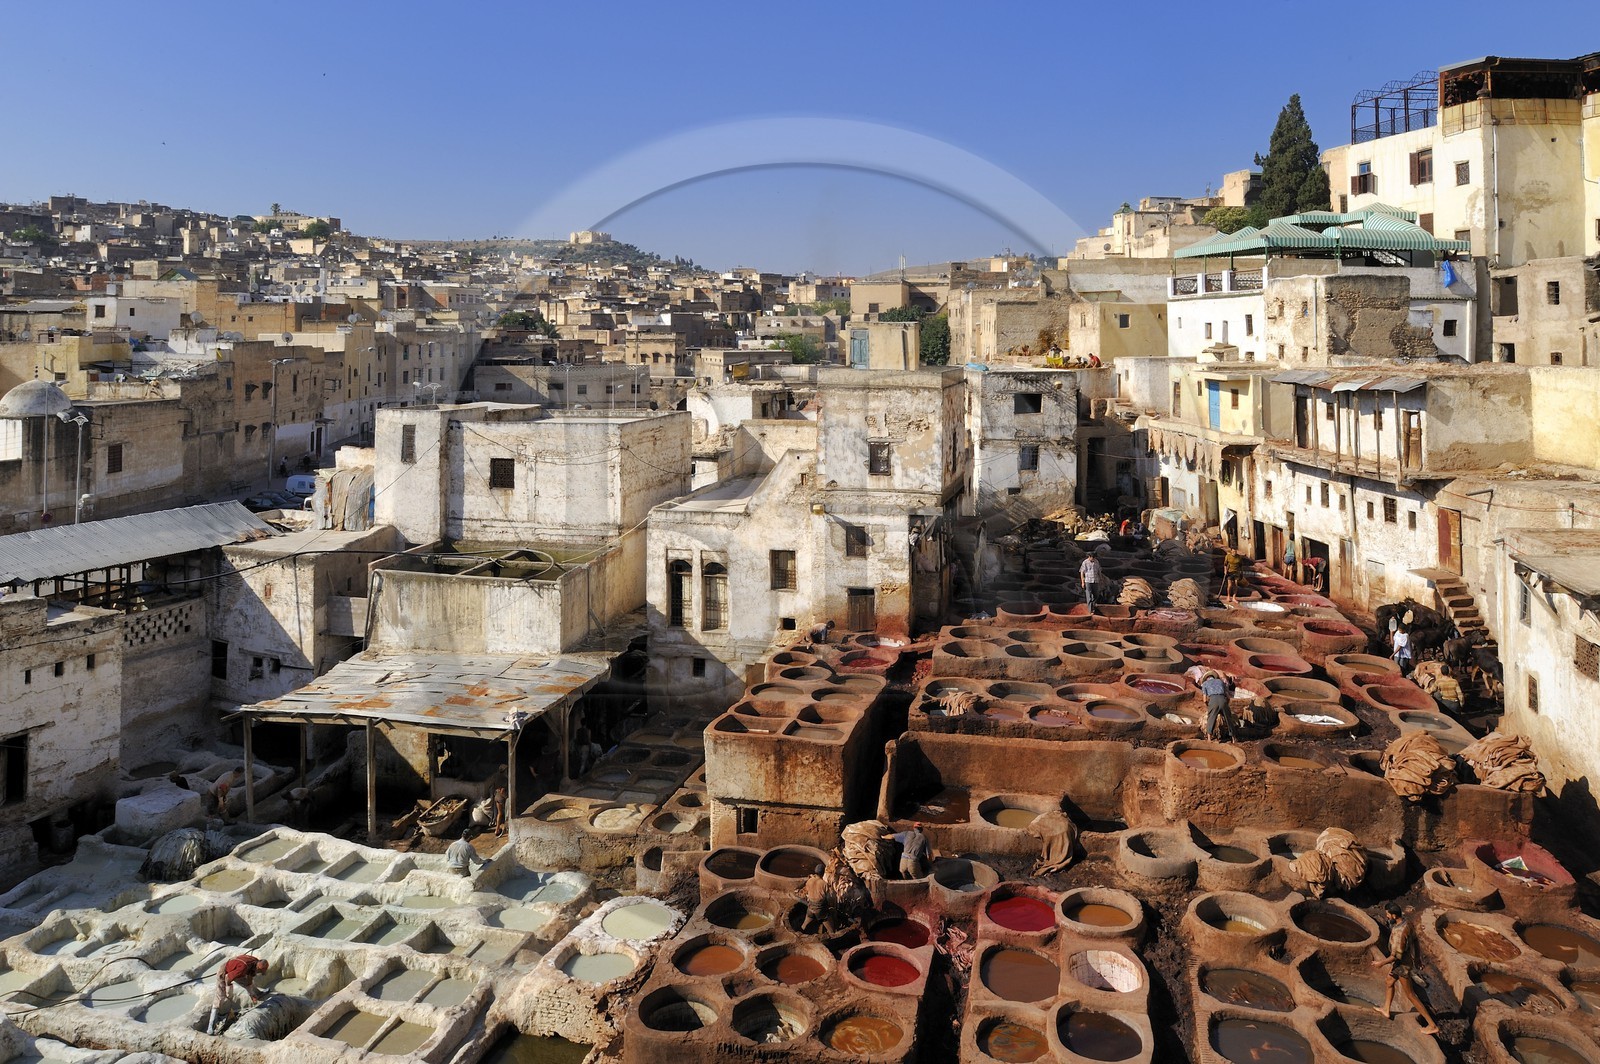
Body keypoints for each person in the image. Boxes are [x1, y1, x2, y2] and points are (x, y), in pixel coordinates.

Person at [1371, 902, 1439, 1035]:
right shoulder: (1407, 923)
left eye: (1388, 914)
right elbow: (1415, 941)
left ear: (1394, 915)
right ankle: (1386, 1009)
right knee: (1389, 982)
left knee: (1411, 995)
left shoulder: (1399, 933)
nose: (1386, 916)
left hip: (1402, 966)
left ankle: (1432, 1025)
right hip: (1403, 962)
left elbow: (1395, 956)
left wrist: (1381, 963)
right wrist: (1417, 958)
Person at [209, 954, 269, 1034]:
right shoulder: (243, 967)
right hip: (224, 972)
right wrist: (229, 993)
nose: (259, 973)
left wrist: (252, 995)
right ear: (258, 967)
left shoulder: (255, 962)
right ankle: (210, 1026)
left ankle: (259, 994)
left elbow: (249, 978)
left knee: (248, 983)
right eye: (260, 971)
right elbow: (228, 978)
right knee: (219, 998)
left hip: (236, 969)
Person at [1201, 671, 1238, 743]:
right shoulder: (1220, 682)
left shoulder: (1205, 684)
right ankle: (1233, 738)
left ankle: (1209, 738)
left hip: (1213, 700)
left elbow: (1204, 700)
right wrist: (1226, 705)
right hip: (1222, 700)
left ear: (1207, 678)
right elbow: (1228, 697)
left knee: (1211, 718)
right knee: (1228, 718)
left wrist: (1209, 707)